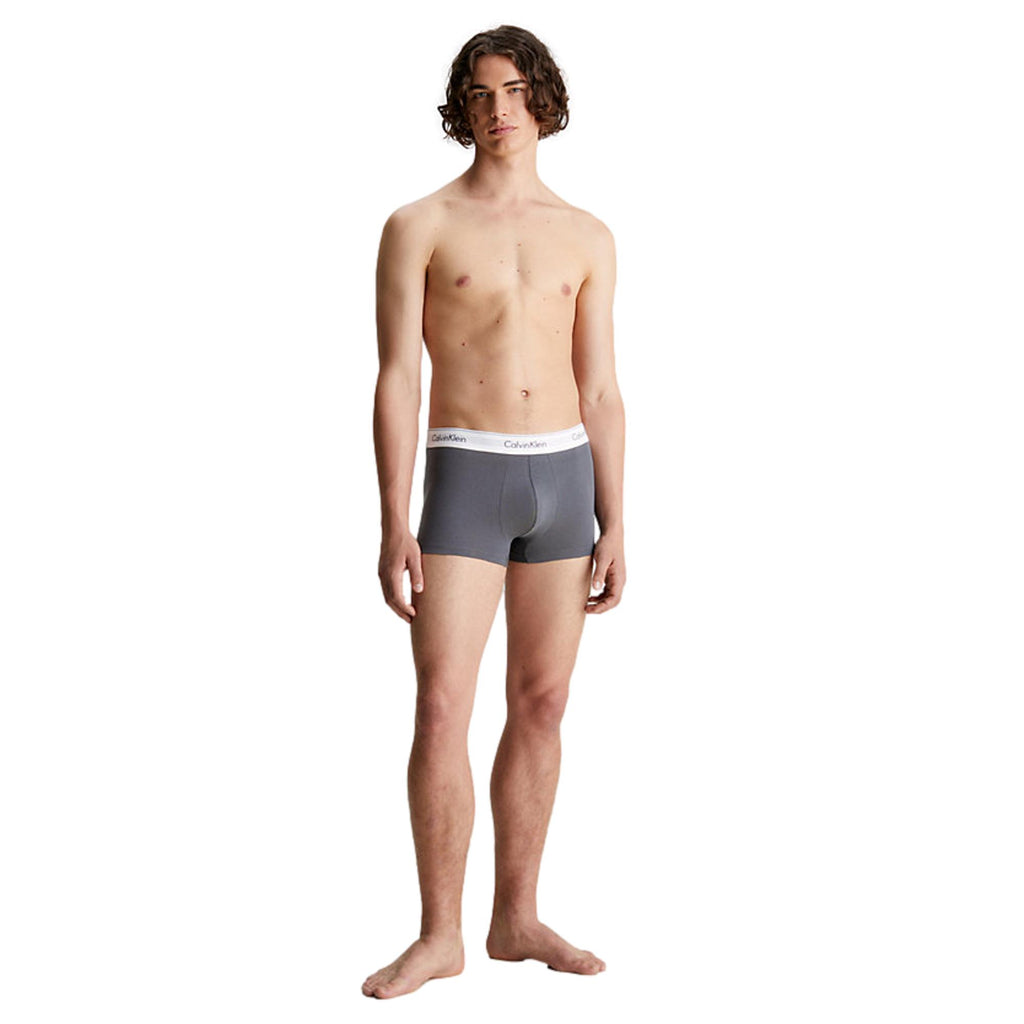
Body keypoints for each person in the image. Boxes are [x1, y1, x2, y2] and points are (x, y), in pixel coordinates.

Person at [364, 24, 626, 1000]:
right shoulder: (419, 224)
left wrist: (617, 518)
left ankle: (516, 916)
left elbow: (600, 388)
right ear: (460, 109)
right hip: (466, 476)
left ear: (542, 99)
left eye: (513, 90)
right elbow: (397, 379)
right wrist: (393, 518)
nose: (498, 110)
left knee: (543, 702)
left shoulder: (587, 234)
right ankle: (439, 933)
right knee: (441, 703)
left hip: (563, 478)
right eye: (479, 94)